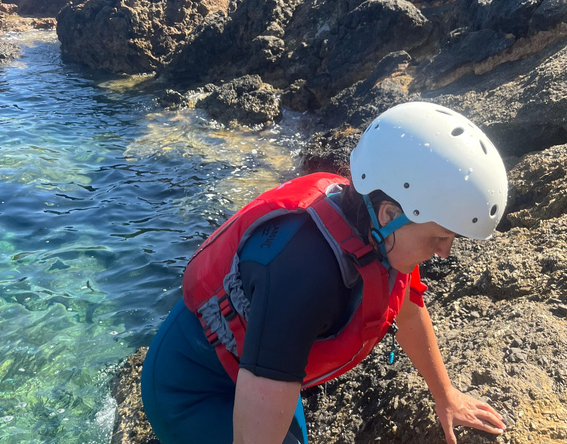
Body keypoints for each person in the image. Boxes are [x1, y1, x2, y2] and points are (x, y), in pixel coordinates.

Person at [141, 101, 509, 444]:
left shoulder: (380, 234)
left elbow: (408, 310)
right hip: (190, 389)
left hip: (253, 362)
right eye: (439, 238)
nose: (445, 252)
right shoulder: (305, 277)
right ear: (388, 214)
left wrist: (446, 397)